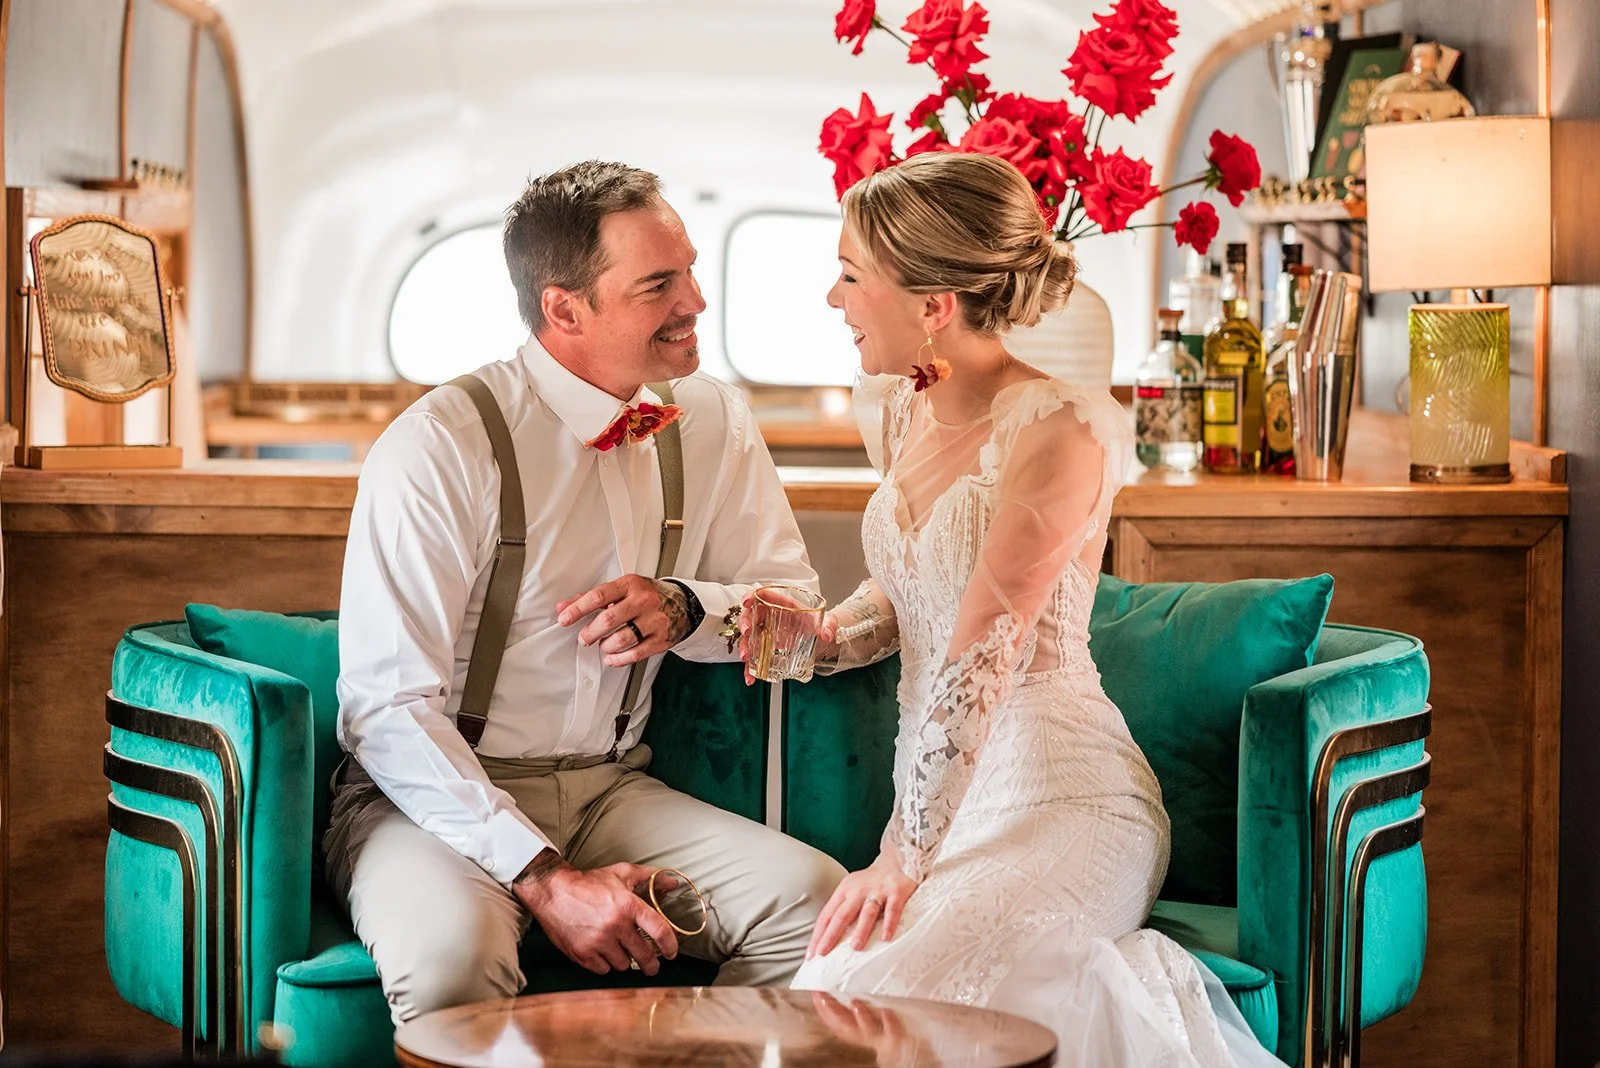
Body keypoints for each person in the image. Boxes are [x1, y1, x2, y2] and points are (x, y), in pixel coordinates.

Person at [764, 152, 1282, 1066]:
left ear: (934, 305)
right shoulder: (892, 409)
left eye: (852, 276)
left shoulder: (1061, 431)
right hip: (955, 807)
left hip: (1068, 796)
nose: (833, 300)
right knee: (842, 987)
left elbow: (978, 662)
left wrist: (901, 858)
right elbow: (912, 589)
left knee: (908, 992)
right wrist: (824, 634)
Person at [327, 159, 845, 1024]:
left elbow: (795, 626)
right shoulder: (440, 446)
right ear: (564, 308)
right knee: (453, 964)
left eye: (690, 270)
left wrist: (688, 609)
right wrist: (546, 880)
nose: (696, 304)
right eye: (658, 284)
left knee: (817, 909)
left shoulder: (713, 418)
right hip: (428, 800)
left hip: (612, 791)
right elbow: (383, 711)